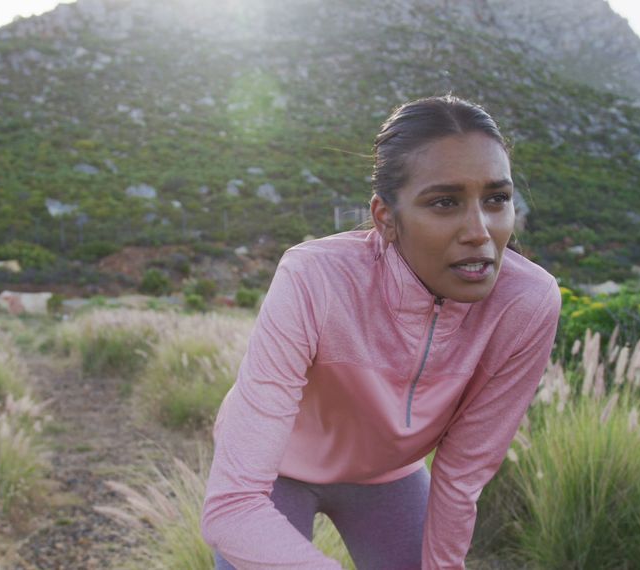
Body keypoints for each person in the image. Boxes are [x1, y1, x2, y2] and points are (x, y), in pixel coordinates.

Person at [200, 94, 562, 569]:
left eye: (496, 199)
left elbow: (461, 476)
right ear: (385, 217)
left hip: (388, 474)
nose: (479, 230)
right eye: (445, 202)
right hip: (274, 472)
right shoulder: (315, 278)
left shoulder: (528, 301)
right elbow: (233, 506)